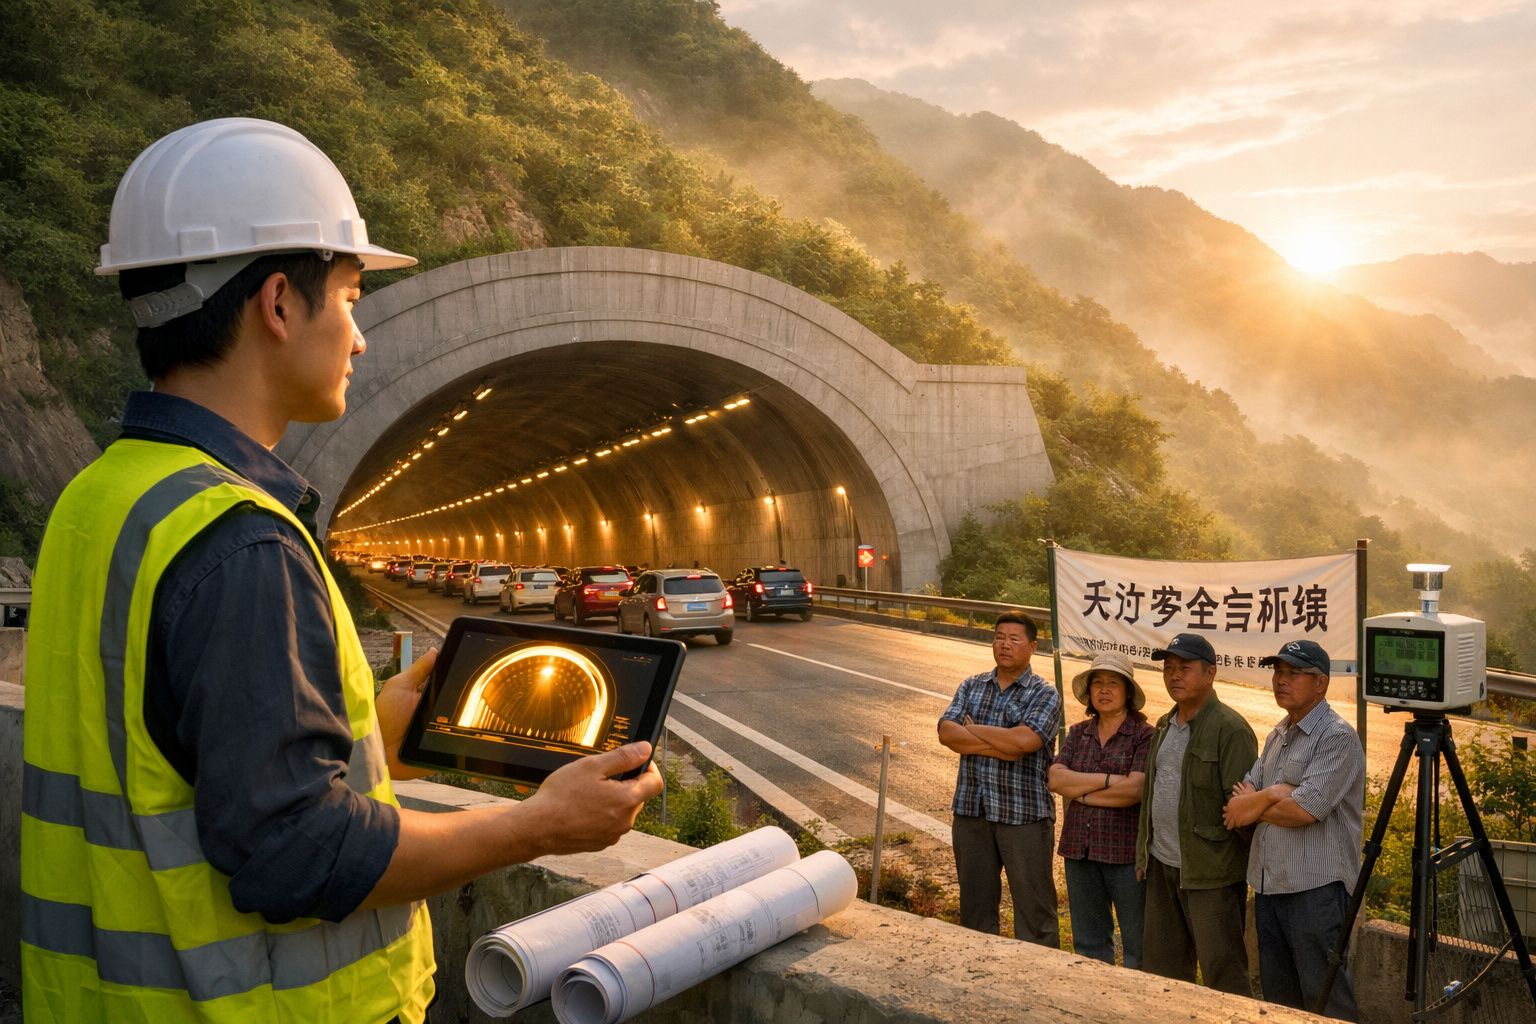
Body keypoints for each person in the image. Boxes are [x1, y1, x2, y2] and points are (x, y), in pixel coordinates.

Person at [20, 118, 662, 1023]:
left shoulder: (101, 498)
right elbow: (295, 856)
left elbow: (166, 757)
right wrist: (537, 827)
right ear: (280, 304)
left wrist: (377, 741)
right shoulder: (240, 541)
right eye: (352, 298)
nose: (359, 339)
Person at [1224, 640, 1364, 1020]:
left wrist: (1258, 804)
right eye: (1278, 671)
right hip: (1270, 886)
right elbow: (1238, 802)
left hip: (1315, 891)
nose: (1280, 680)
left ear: (1321, 682)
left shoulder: (1336, 736)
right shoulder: (1278, 735)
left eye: (1293, 673)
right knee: (1280, 999)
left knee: (1325, 998)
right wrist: (1274, 793)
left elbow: (1305, 810)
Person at [1135, 632, 1257, 995]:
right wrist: (1144, 851)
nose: (1174, 675)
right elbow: (1152, 794)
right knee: (1164, 973)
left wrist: (1230, 868)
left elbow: (1242, 812)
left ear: (1210, 673)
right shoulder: (1163, 725)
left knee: (1223, 974)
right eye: (1168, 668)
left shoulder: (1231, 729)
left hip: (1210, 876)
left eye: (1184, 668)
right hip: (1162, 865)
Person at [938, 611, 1062, 946]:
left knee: (1035, 913)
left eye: (1014, 639)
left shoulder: (1044, 693)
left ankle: (1038, 973)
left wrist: (974, 730)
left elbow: (1024, 742)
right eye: (999, 637)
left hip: (1024, 816)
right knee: (975, 911)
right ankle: (983, 973)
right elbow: (947, 733)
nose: (1004, 645)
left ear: (1032, 647)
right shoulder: (972, 685)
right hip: (972, 812)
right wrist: (1002, 747)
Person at [1048, 650, 1154, 967]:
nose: (1104, 690)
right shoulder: (1079, 732)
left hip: (1125, 855)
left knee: (1138, 943)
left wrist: (1081, 792)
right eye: (1097, 683)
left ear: (1128, 692)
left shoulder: (1144, 735)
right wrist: (1109, 781)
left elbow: (1135, 790)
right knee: (1088, 943)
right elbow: (1055, 779)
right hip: (1079, 850)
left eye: (1113, 683)